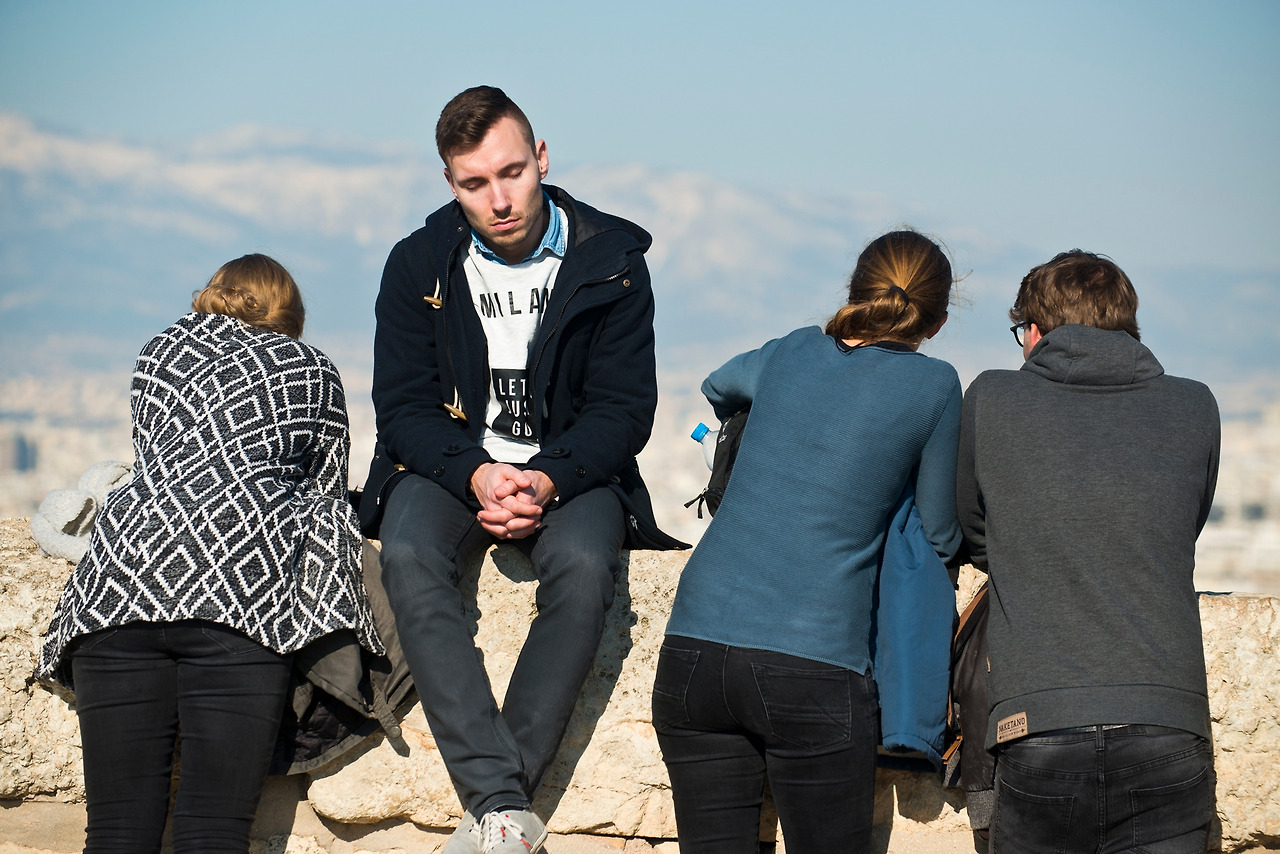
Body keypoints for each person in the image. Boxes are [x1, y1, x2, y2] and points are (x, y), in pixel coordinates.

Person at [368, 85, 684, 854]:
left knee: (584, 565)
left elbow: (623, 411)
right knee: (406, 552)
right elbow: (403, 407)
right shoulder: (417, 264)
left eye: (511, 173)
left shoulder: (611, 261)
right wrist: (476, 473)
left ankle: (494, 815)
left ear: (541, 158)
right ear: (451, 184)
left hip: (574, 471)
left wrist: (543, 478)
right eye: (475, 183)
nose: (500, 200)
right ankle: (503, 808)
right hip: (448, 467)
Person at [36, 254, 384, 854]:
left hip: (117, 594)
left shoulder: (158, 352)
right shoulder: (311, 369)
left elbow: (159, 461)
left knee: (116, 831)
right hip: (240, 601)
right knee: (213, 831)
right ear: (290, 312)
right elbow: (326, 496)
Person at [654, 230, 963, 852]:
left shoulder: (793, 348)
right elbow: (938, 530)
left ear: (856, 290)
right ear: (936, 322)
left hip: (692, 650)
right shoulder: (934, 385)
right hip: (815, 665)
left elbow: (718, 385)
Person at [956, 250, 1220, 853]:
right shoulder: (1195, 405)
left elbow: (973, 530)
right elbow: (1182, 528)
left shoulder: (993, 397)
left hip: (1038, 725)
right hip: (1167, 721)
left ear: (1035, 331)